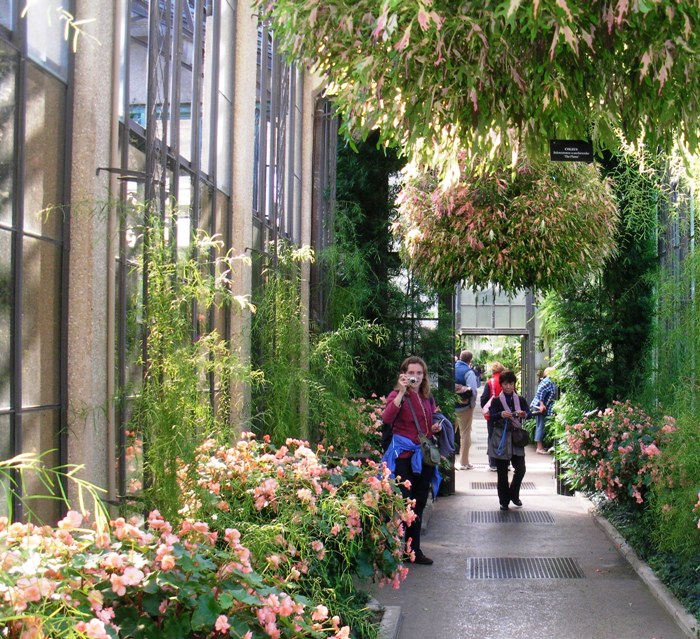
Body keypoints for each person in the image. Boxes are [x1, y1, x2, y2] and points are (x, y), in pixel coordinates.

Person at [381, 356, 444, 565]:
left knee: (419, 503)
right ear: (404, 375)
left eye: (419, 373)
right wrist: (401, 391)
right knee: (402, 503)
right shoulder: (397, 395)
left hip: (422, 456)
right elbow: (387, 418)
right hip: (403, 458)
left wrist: (434, 429)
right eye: (411, 373)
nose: (415, 376)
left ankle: (413, 550)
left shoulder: (427, 398)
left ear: (424, 376)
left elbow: (426, 425)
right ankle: (390, 549)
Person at [487, 370, 532, 510]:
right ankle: (504, 501)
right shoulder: (496, 400)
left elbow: (529, 414)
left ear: (514, 384)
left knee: (521, 468)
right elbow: (491, 416)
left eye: (511, 384)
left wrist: (523, 413)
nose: (508, 387)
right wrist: (501, 414)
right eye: (505, 384)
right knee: (502, 472)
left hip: (516, 438)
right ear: (501, 384)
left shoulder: (520, 399)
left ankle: (513, 494)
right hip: (501, 437)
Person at [454, 350, 478, 470]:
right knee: (465, 434)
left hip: (450, 407)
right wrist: (472, 405)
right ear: (470, 360)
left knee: (448, 434)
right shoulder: (468, 372)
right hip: (464, 407)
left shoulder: (451, 368)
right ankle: (464, 462)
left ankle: (446, 461)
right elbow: (473, 390)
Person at [480, 362, 505, 471]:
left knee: (492, 437)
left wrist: (486, 408)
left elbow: (484, 398)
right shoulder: (506, 381)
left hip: (492, 414)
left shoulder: (490, 382)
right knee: (505, 436)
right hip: (505, 413)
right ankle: (505, 462)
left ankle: (493, 464)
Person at [530, 366, 557, 454]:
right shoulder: (547, 381)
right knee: (540, 426)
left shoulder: (550, 381)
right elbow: (540, 392)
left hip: (542, 407)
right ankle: (539, 448)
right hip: (539, 407)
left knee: (541, 425)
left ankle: (540, 446)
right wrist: (541, 404)